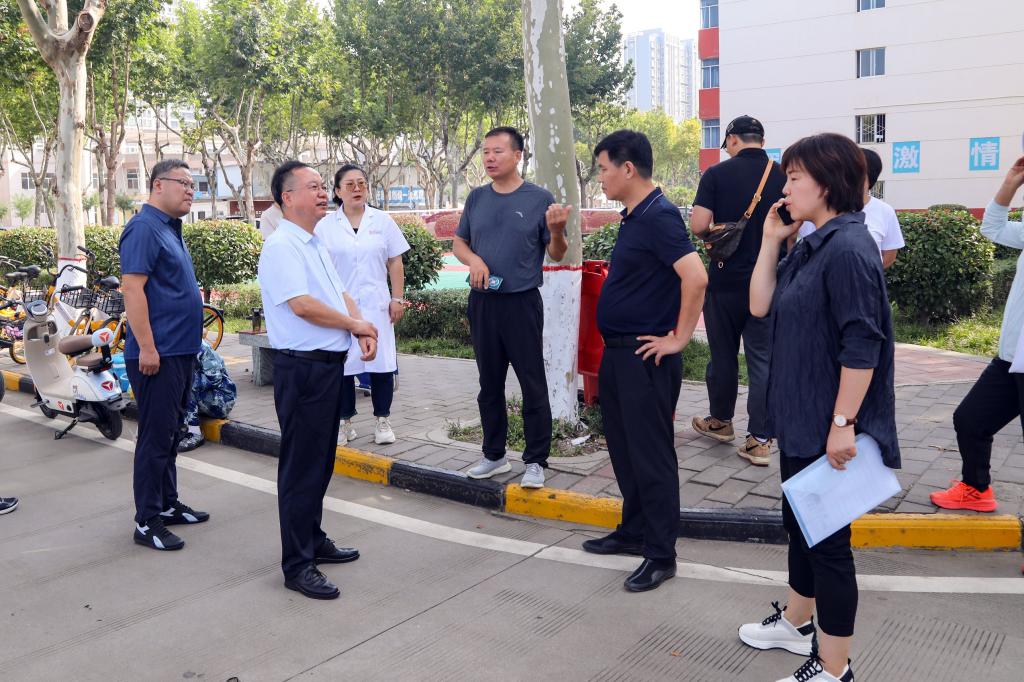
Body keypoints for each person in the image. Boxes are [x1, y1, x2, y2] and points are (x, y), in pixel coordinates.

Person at [738, 133, 899, 682]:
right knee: (801, 522)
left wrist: (843, 424)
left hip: (827, 421)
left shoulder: (850, 247)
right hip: (800, 416)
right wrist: (770, 239)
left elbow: (863, 343)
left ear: (827, 183)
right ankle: (796, 622)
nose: (784, 189)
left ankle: (833, 668)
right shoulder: (813, 242)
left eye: (793, 178)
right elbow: (760, 305)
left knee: (829, 545)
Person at [580, 130, 707, 593]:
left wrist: (679, 339)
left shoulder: (659, 216)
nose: (600, 177)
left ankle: (661, 553)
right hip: (618, 355)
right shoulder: (636, 216)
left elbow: (696, 277)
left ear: (628, 168)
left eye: (603, 168)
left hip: (644, 357)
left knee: (651, 456)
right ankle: (633, 530)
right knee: (623, 449)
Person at [257, 161, 378, 600]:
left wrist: (360, 326)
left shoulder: (313, 242)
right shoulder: (281, 246)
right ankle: (297, 564)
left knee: (321, 462)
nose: (323, 192)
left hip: (327, 367)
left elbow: (337, 293)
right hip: (302, 369)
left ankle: (313, 539)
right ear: (287, 197)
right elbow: (302, 305)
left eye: (323, 186)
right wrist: (354, 325)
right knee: (301, 468)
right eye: (313, 187)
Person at [453, 126, 570, 489]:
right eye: (485, 152)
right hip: (483, 303)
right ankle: (494, 455)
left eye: (497, 151)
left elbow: (556, 253)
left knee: (532, 384)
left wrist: (558, 231)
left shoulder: (539, 199)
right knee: (489, 384)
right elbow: (459, 243)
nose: (489, 158)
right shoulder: (477, 198)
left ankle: (535, 461)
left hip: (521, 304)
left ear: (518, 156)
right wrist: (474, 260)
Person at [120, 159, 207, 551]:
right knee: (155, 439)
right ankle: (147, 520)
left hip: (180, 351)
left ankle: (167, 503)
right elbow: (132, 289)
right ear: (158, 185)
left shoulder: (170, 228)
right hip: (159, 354)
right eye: (183, 183)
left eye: (193, 185)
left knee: (172, 433)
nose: (190, 190)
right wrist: (148, 347)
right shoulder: (144, 227)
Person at [689, 115, 785, 467]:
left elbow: (699, 224)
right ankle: (760, 440)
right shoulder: (782, 175)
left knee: (723, 354)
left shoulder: (716, 174)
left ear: (732, 140)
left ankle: (720, 421)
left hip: (725, 281)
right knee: (763, 361)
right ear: (762, 140)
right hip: (770, 282)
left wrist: (716, 232)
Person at [930, 155, 1024, 513]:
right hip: (1011, 358)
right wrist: (1011, 182)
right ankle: (975, 488)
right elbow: (993, 228)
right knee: (970, 419)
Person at [316, 164, 410, 446]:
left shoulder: (382, 221)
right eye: (350, 184)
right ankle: (344, 422)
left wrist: (397, 298)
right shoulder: (324, 227)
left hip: (377, 306)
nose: (357, 189)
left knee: (382, 364)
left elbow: (395, 261)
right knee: (343, 366)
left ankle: (383, 420)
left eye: (361, 183)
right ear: (337, 191)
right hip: (339, 308)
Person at [796, 148, 904, 268]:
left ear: (869, 179)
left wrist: (866, 273)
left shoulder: (885, 211)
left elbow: (889, 254)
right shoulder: (818, 208)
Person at [177, 341, 237, 453]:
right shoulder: (173, 345)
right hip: (201, 399)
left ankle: (194, 432)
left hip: (221, 399)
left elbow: (215, 378)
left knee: (186, 380)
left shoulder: (200, 347)